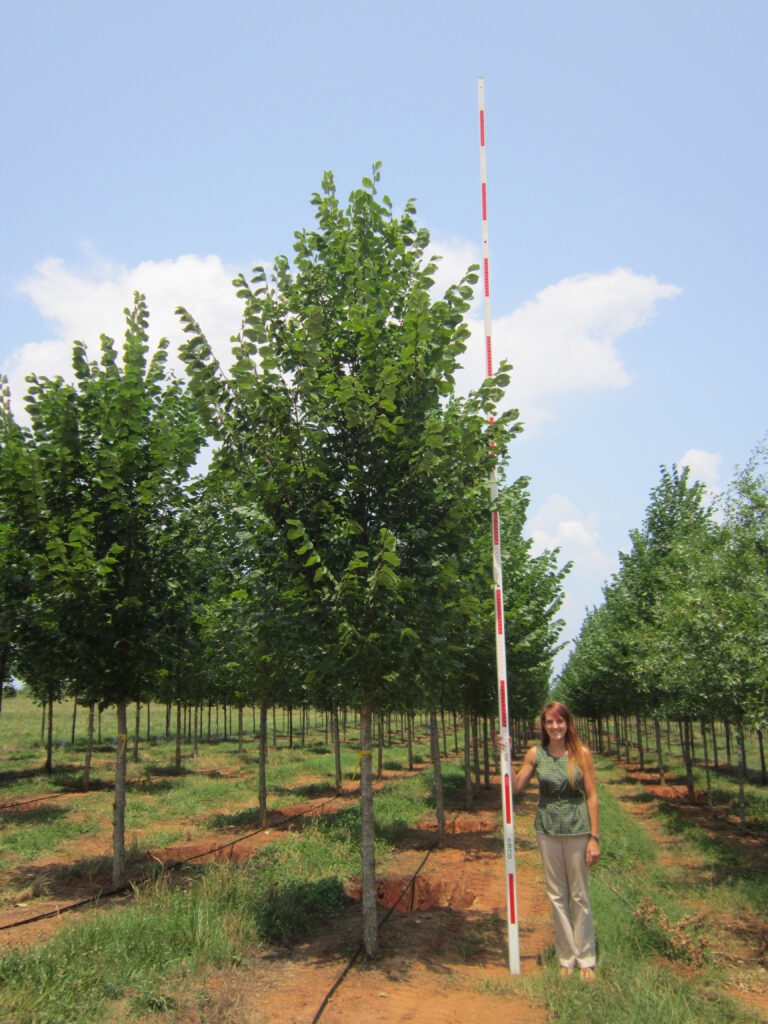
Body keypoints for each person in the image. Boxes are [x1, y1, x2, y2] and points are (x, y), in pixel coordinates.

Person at [509, 701, 600, 980]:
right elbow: (514, 787)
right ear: (543, 725)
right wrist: (505, 755)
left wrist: (594, 837)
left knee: (579, 894)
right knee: (557, 895)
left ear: (567, 723)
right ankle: (566, 957)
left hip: (577, 830)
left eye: (559, 721)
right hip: (547, 830)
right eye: (550, 722)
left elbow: (592, 796)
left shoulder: (581, 754)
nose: (555, 726)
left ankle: (586, 958)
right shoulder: (536, 754)